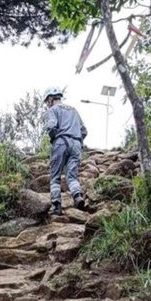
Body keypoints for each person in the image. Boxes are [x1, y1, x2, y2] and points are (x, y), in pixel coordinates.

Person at [44, 87, 87, 216]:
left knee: (55, 176)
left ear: (51, 99)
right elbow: (84, 130)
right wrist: (78, 141)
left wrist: (54, 139)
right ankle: (77, 197)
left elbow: (51, 126)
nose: (47, 104)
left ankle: (56, 206)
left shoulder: (53, 110)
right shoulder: (74, 110)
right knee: (72, 175)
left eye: (47, 101)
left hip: (61, 142)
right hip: (76, 144)